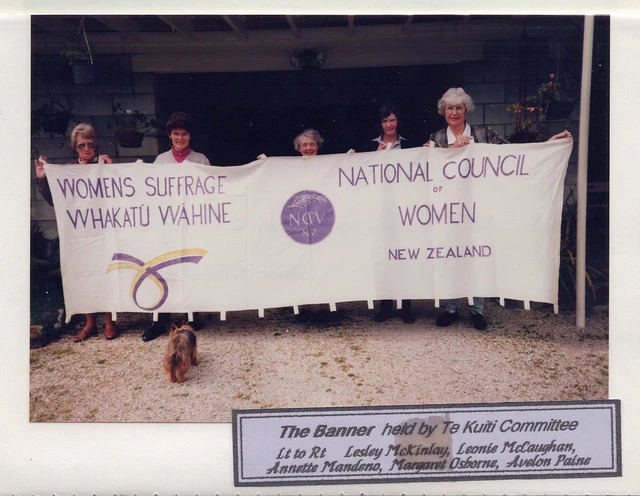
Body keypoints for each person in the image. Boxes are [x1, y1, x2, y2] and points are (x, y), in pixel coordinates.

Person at [424, 87, 571, 331]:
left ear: (466, 110)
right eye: (449, 108)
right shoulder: (437, 138)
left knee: (477, 255)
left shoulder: (483, 134)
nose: (454, 112)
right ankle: (451, 307)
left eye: (459, 108)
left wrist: (546, 146)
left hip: (480, 206)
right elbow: (428, 171)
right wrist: (450, 152)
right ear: (443, 111)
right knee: (450, 256)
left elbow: (512, 155)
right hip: (448, 210)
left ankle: (476, 309)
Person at [34, 123, 119, 342]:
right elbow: (56, 201)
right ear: (75, 148)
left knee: (106, 273)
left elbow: (120, 196)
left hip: (103, 231)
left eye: (91, 144)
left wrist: (112, 172)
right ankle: (90, 323)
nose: (87, 149)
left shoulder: (104, 166)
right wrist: (43, 179)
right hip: (79, 235)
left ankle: (110, 322)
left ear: (96, 145)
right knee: (83, 276)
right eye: (82, 145)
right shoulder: (68, 171)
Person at [143, 112, 211, 341]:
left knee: (190, 267)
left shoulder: (200, 159)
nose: (180, 138)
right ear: (170, 135)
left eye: (184, 134)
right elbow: (151, 191)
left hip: (191, 223)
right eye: (176, 134)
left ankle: (191, 314)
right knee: (163, 267)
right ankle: (159, 317)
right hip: (167, 224)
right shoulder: (161, 160)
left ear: (190, 136)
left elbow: (209, 190)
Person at [361, 101, 415, 324]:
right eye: (385, 121)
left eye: (392, 120)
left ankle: (407, 308)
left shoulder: (410, 145)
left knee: (406, 258)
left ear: (398, 121)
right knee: (384, 257)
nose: (389, 124)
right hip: (380, 209)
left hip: (406, 209)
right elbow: (360, 172)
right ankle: (386, 307)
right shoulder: (368, 145)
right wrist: (373, 156)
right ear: (380, 123)